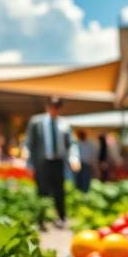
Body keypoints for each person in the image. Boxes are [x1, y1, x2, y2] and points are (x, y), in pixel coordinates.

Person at [26, 97, 74, 227]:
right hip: (42, 162)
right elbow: (29, 143)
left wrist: (74, 159)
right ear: (47, 107)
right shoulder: (36, 122)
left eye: (57, 107)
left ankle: (62, 217)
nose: (54, 109)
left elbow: (70, 143)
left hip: (58, 162)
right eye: (52, 106)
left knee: (59, 191)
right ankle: (41, 219)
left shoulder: (63, 123)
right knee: (42, 191)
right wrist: (29, 163)